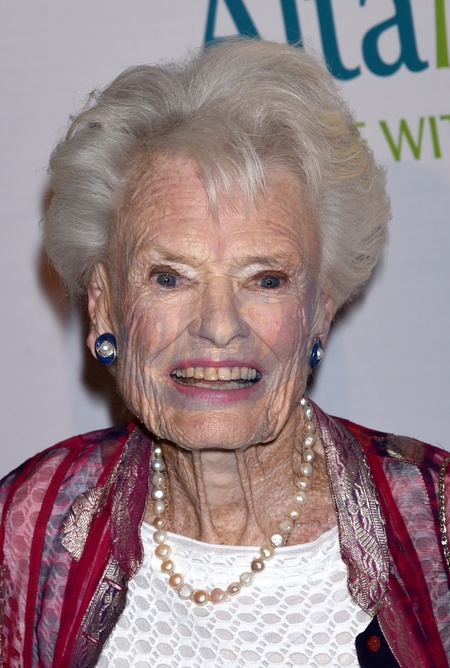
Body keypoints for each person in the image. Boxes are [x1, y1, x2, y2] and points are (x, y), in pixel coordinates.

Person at [0, 39, 449, 668]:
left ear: (320, 308)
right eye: (169, 277)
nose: (218, 327)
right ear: (104, 306)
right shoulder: (26, 526)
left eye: (265, 279)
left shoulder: (437, 523)